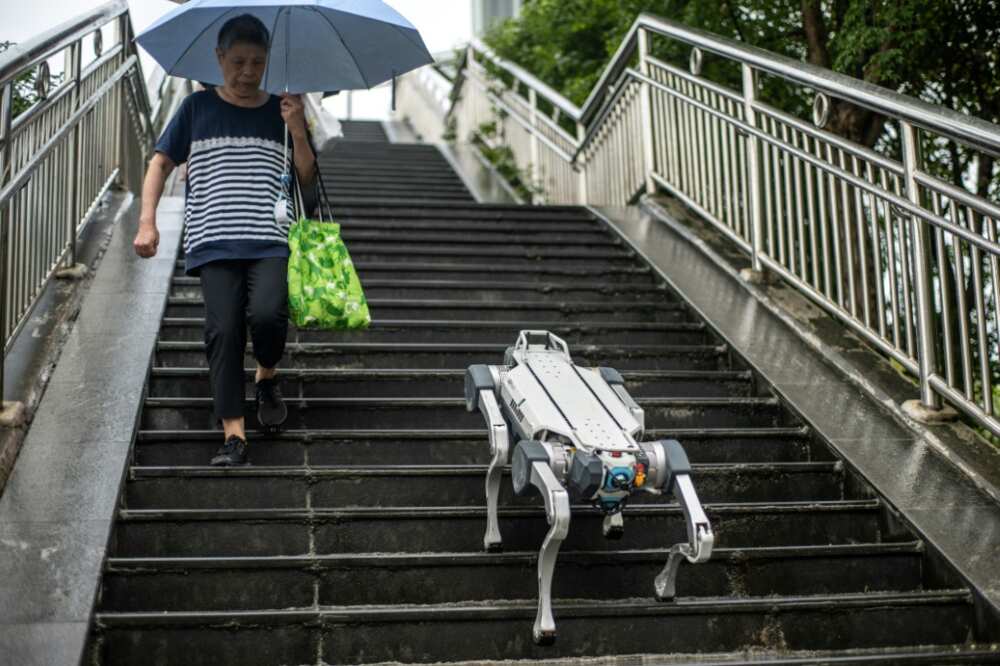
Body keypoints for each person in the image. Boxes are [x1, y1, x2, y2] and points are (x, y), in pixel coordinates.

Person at [134, 14, 317, 467]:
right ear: (219, 58)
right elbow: (159, 164)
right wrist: (147, 222)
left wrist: (296, 128)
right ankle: (234, 434)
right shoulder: (196, 109)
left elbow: (307, 176)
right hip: (213, 240)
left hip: (270, 238)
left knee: (270, 316)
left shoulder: (283, 109)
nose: (248, 71)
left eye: (257, 62)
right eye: (238, 61)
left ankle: (267, 373)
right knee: (224, 330)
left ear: (267, 60)